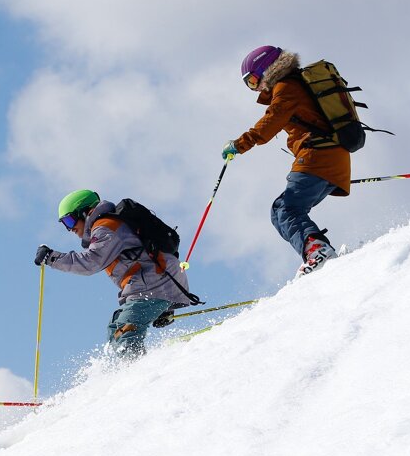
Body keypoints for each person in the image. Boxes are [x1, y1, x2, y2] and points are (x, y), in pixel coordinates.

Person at [223, 45, 350, 276]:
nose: (255, 88)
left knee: (286, 209)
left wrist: (239, 144)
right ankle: (316, 250)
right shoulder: (295, 85)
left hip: (317, 155)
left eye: (253, 81)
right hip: (330, 157)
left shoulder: (286, 86)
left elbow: (272, 120)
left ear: (266, 69)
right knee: (281, 209)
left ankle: (317, 250)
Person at [34, 190, 197, 359]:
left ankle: (136, 370)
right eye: (65, 224)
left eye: (69, 220)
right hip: (151, 286)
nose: (70, 229)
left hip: (156, 286)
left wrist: (52, 258)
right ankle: (123, 367)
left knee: (126, 329)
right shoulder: (106, 227)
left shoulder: (106, 227)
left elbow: (91, 262)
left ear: (85, 212)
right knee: (114, 329)